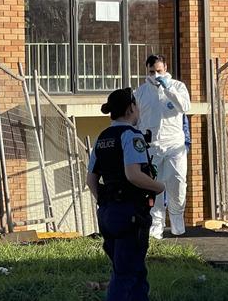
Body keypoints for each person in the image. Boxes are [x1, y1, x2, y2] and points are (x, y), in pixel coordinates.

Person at [86, 88, 165, 301]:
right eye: (137, 105)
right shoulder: (131, 136)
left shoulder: (102, 138)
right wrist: (159, 187)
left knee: (136, 270)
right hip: (130, 213)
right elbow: (133, 175)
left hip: (107, 214)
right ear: (131, 108)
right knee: (125, 274)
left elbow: (90, 178)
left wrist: (103, 202)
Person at [135, 55, 191, 239]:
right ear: (147, 71)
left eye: (159, 71)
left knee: (177, 183)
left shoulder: (178, 87)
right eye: (152, 72)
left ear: (165, 68)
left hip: (175, 145)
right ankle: (156, 226)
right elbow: (135, 120)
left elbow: (185, 106)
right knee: (154, 187)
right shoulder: (140, 93)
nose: (156, 75)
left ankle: (177, 222)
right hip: (151, 147)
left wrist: (168, 89)